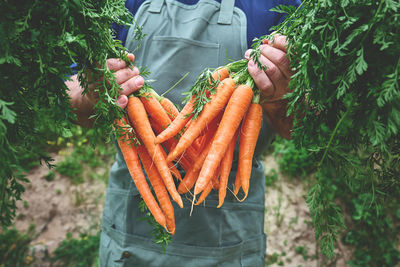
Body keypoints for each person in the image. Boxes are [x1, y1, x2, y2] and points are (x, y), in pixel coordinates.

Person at [67, 0, 300, 266]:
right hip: (131, 228)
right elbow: (68, 98)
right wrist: (91, 95)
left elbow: (297, 128)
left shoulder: (279, 6)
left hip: (231, 231)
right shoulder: (106, 6)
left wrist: (280, 97)